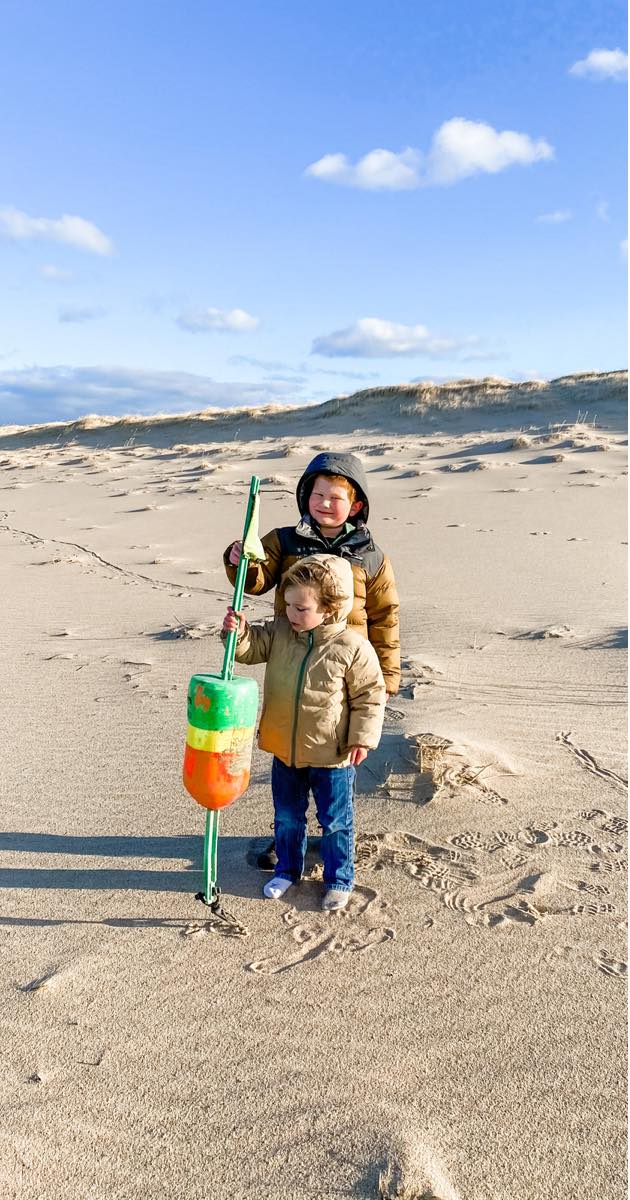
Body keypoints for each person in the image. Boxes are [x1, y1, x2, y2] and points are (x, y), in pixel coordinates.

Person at [223, 452, 399, 868]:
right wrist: (239, 562)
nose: (324, 503)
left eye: (335, 498)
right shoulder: (285, 540)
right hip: (294, 657)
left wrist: (387, 678)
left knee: (335, 761)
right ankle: (286, 838)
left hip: (344, 670)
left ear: (355, 506)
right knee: (292, 758)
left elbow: (385, 617)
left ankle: (335, 834)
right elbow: (257, 577)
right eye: (316, 494)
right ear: (305, 496)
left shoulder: (371, 555)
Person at [221, 554, 386, 911]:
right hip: (285, 750)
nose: (292, 614)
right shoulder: (281, 631)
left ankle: (339, 877)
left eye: (302, 608)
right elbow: (249, 651)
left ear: (330, 608)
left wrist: (362, 737)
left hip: (333, 755)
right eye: (288, 605)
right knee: (287, 816)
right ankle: (287, 870)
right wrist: (238, 633)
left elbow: (370, 696)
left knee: (335, 821)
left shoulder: (351, 646)